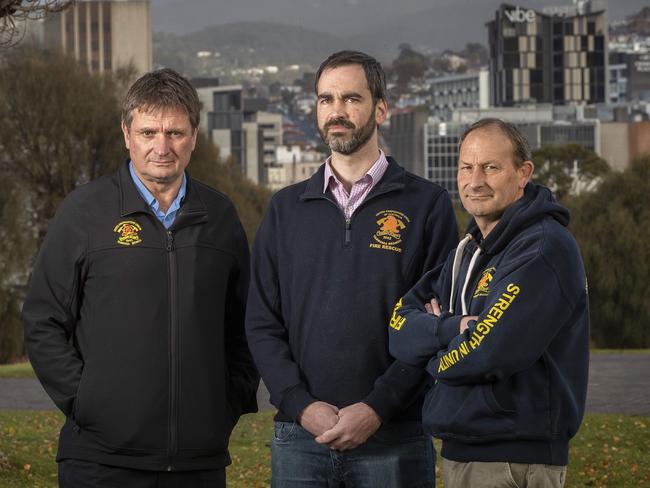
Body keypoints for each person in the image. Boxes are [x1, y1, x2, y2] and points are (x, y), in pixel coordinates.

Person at [23, 68, 259, 488]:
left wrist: (225, 405)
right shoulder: (85, 212)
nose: (162, 147)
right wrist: (87, 404)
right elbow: (43, 320)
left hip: (197, 464)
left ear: (195, 136)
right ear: (126, 134)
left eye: (175, 133)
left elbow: (246, 325)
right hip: (100, 462)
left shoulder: (221, 217)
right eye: (149, 132)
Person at [245, 50, 458, 487]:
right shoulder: (286, 210)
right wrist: (301, 405)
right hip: (299, 438)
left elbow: (438, 327)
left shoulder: (427, 206)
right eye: (326, 100)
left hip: (394, 436)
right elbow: (262, 323)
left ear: (381, 108)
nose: (336, 112)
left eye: (350, 99)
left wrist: (377, 408)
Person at [389, 118, 589, 488]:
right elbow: (399, 328)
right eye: (466, 167)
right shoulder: (466, 253)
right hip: (466, 449)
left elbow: (490, 351)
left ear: (522, 173)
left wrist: (432, 359)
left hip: (513, 459)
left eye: (491, 167)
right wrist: (451, 327)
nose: (475, 180)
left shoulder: (542, 249)